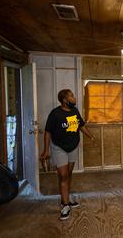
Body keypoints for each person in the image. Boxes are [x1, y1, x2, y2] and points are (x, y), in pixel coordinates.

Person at [40, 89, 94, 220]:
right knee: (63, 176)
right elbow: (48, 132)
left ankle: (67, 199)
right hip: (59, 148)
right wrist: (46, 150)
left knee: (68, 174)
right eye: (72, 96)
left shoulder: (75, 111)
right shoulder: (55, 114)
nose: (74, 98)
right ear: (65, 100)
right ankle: (65, 205)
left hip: (73, 147)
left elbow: (81, 125)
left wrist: (90, 136)